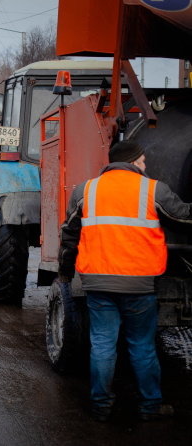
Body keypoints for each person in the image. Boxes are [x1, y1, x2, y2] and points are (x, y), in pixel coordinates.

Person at [58, 140, 192, 422]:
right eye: (142, 162)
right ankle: (150, 407)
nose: (145, 166)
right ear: (132, 162)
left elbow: (69, 234)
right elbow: (183, 219)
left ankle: (101, 407)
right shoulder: (153, 189)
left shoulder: (86, 191)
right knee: (142, 345)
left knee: (102, 344)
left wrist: (65, 270)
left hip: (98, 284)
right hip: (139, 285)